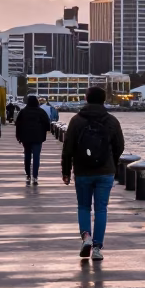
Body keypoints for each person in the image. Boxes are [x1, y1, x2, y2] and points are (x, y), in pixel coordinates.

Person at [62, 87, 124, 261]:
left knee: (83, 206)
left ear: (86, 99)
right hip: (105, 171)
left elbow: (68, 149)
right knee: (101, 209)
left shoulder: (76, 121)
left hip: (83, 171)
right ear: (104, 100)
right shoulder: (111, 120)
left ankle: (86, 237)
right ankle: (97, 248)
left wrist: (66, 171)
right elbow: (120, 145)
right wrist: (112, 162)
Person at [14, 94, 51, 185]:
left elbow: (18, 124)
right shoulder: (41, 112)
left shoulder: (23, 112)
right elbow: (47, 124)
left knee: (27, 155)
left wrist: (18, 136)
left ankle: (28, 174)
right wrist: (44, 131)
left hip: (25, 137)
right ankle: (35, 176)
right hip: (38, 137)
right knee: (36, 156)